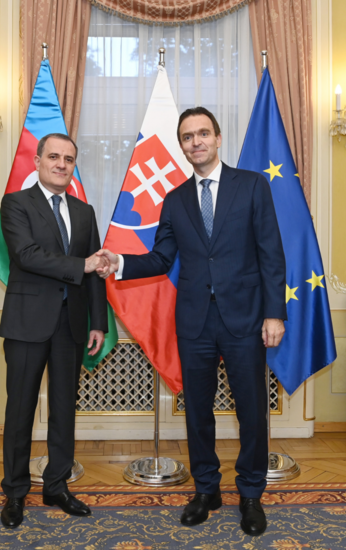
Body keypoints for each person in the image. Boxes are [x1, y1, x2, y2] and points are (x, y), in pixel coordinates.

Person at [97, 107, 286, 536]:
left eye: (203, 133)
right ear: (181, 146)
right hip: (195, 322)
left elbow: (271, 254)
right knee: (198, 411)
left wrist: (274, 313)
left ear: (218, 138)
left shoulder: (252, 186)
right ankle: (206, 490)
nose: (196, 142)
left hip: (245, 319)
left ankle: (250, 494)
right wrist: (119, 261)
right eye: (187, 136)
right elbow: (162, 258)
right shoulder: (176, 199)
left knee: (252, 412)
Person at [0, 133, 108, 529]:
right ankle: (15, 492)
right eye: (54, 157)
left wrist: (99, 322)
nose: (61, 164)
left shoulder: (84, 211)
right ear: (38, 161)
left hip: (71, 324)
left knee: (64, 410)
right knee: (20, 410)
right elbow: (26, 255)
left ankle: (56, 486)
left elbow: (96, 271)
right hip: (27, 322)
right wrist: (82, 265)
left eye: (69, 159)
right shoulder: (16, 204)